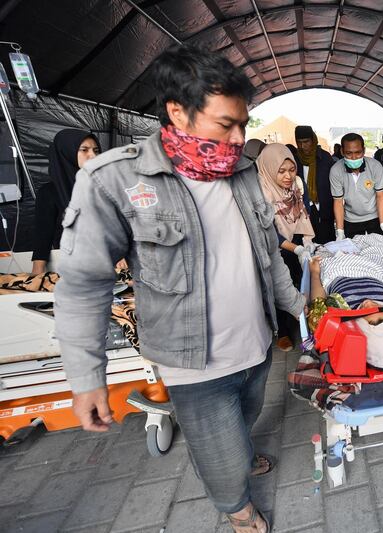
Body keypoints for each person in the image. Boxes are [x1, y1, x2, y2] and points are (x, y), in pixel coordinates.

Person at [55, 45, 306, 533]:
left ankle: (236, 455)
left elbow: (268, 256)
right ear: (177, 111)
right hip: (193, 360)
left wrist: (302, 311)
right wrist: (86, 377)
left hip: (255, 345)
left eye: (243, 125)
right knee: (221, 454)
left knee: (243, 423)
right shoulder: (114, 179)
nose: (238, 139)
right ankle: (237, 507)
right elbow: (84, 284)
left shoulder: (242, 174)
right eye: (225, 124)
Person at [257, 143, 315, 352]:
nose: (287, 176)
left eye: (291, 170)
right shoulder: (260, 191)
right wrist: (295, 249)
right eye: (281, 171)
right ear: (270, 168)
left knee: (303, 283)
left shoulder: (297, 185)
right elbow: (268, 231)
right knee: (280, 288)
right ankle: (283, 332)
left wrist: (306, 244)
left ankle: (305, 327)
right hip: (275, 247)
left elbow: (305, 211)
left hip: (297, 240)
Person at [31, 129, 101, 275]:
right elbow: (43, 235)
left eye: (96, 150)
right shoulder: (50, 193)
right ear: (66, 152)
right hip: (71, 269)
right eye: (84, 150)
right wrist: (38, 272)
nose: (93, 155)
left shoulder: (103, 188)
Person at [330, 133, 383, 243]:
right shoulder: (336, 170)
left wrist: (382, 224)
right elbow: (338, 202)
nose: (354, 158)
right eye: (349, 153)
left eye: (358, 153)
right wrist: (340, 231)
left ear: (363, 151)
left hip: (374, 217)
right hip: (351, 219)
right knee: (354, 254)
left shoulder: (375, 166)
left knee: (377, 251)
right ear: (342, 152)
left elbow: (380, 196)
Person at [294, 125, 336, 244]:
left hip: (324, 209)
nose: (303, 146)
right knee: (306, 244)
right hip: (303, 210)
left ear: (313, 139)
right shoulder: (295, 159)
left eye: (306, 141)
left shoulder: (325, 158)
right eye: (299, 142)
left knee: (327, 243)